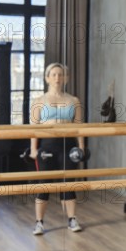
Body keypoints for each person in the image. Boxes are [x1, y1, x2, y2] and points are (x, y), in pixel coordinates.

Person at [30, 63, 85, 235]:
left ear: (66, 78)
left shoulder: (74, 101)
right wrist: (33, 149)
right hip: (47, 145)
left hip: (68, 145)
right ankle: (39, 222)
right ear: (47, 78)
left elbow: (79, 127)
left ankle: (72, 219)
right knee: (44, 185)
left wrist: (81, 148)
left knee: (68, 184)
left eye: (60, 75)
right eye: (53, 75)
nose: (57, 78)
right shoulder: (38, 102)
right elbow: (34, 128)